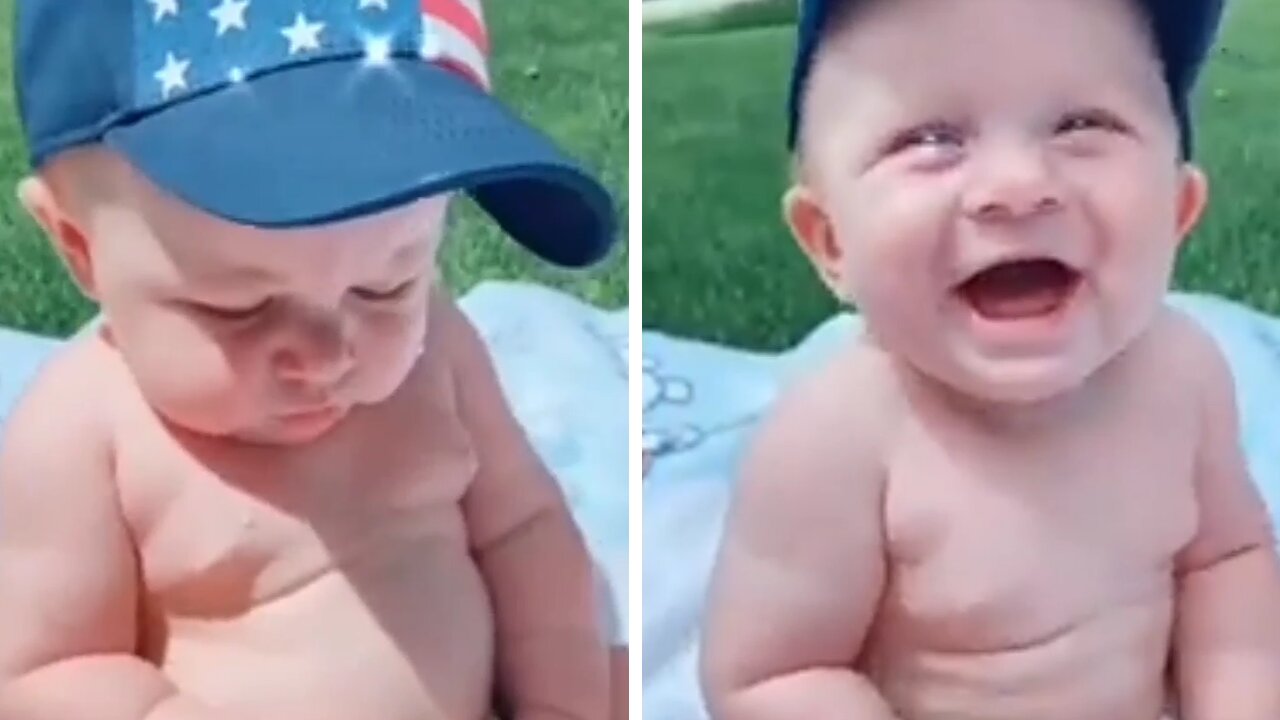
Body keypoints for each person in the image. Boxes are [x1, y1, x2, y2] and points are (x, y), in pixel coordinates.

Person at [0, 1, 623, 718]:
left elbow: (527, 531)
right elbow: (48, 670)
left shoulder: (439, 348)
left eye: (384, 284)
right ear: (78, 245)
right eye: (239, 306)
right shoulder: (85, 433)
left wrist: (561, 703)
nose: (327, 357)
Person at [700, 0, 1280, 718]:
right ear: (830, 243)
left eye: (1081, 124)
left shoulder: (1185, 371)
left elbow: (1225, 561)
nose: (1017, 185)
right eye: (931, 138)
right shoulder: (834, 444)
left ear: (1176, 209)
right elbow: (772, 675)